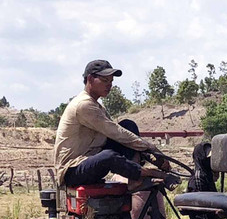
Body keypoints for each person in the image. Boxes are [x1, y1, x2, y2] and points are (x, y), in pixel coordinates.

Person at [54, 60, 168, 188]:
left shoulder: (96, 105)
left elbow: (121, 135)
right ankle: (142, 174)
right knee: (108, 156)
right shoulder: (83, 105)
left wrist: (151, 156)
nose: (109, 85)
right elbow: (116, 132)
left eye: (111, 81)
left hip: (89, 160)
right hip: (72, 170)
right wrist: (150, 147)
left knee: (127, 125)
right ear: (90, 79)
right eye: (105, 81)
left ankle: (134, 177)